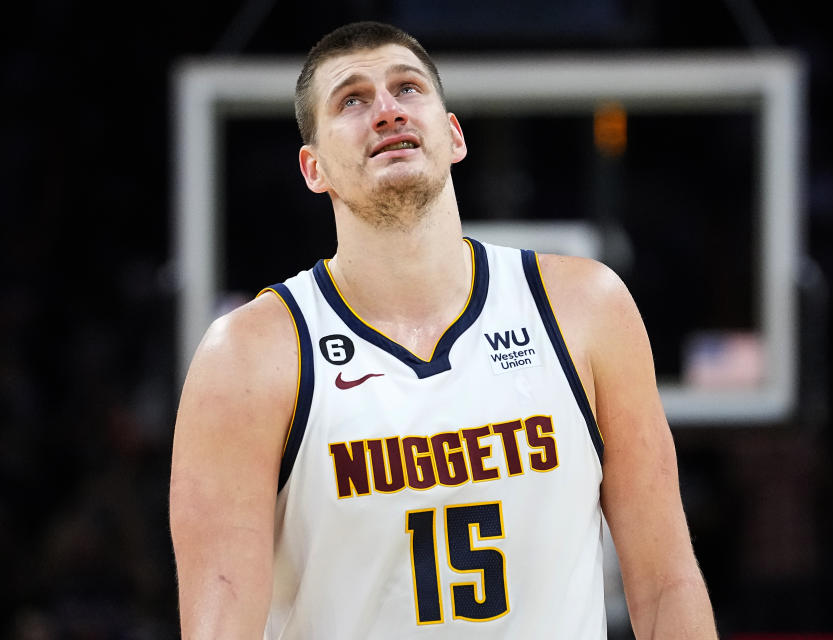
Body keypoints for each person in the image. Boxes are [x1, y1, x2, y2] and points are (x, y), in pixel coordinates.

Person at [169, 20, 717, 639]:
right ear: (313, 167)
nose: (386, 110)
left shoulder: (586, 308)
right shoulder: (249, 357)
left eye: (407, 89)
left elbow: (666, 583)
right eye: (352, 100)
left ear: (453, 135)